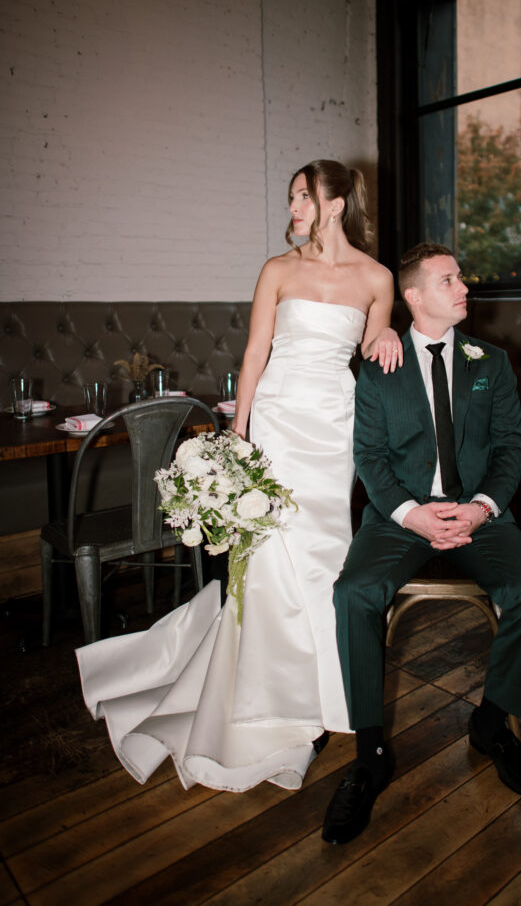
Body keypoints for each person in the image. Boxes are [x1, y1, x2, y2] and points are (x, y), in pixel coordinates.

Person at [75, 159, 403, 793]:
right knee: (275, 553)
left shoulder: (378, 276)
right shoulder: (277, 270)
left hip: (335, 424)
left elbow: (373, 341)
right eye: (291, 200)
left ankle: (333, 693)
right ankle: (273, 692)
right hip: (278, 419)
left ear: (335, 204)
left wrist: (387, 333)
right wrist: (240, 433)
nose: (293, 210)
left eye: (302, 198)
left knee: (328, 551)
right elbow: (255, 352)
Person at [322, 242, 521, 845]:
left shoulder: (491, 362)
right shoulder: (377, 366)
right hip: (399, 517)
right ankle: (370, 752)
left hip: (482, 516)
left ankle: (491, 722)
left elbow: (510, 447)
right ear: (414, 296)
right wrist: (411, 515)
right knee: (354, 593)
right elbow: (369, 458)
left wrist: (480, 509)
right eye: (448, 280)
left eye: (461, 279)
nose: (463, 289)